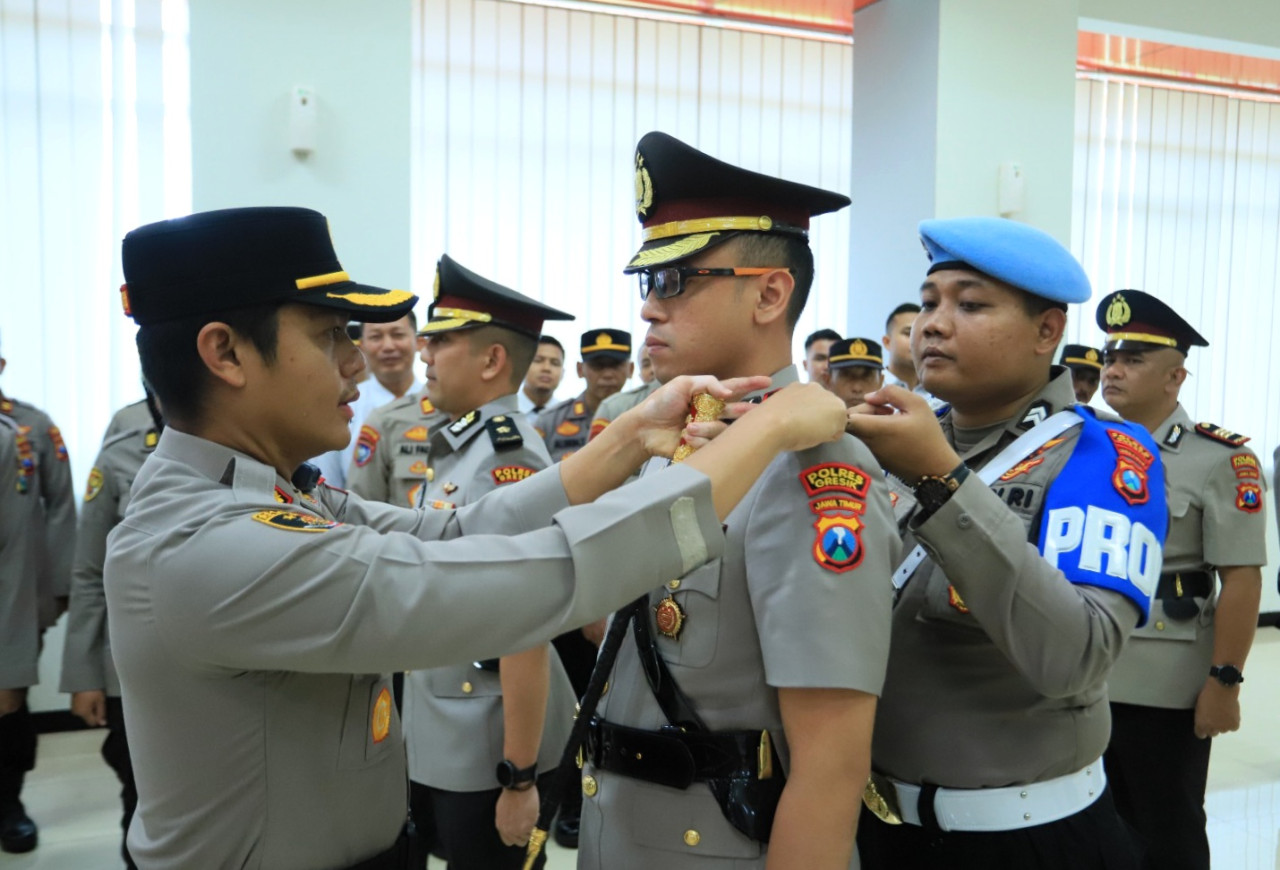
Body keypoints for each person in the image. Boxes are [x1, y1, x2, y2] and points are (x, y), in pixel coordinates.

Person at [105, 205, 848, 869]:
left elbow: (456, 530)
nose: (357, 361)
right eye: (331, 335)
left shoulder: (269, 493)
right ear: (226, 354)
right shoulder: (205, 544)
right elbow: (522, 580)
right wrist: (772, 427)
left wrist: (625, 440)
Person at [578, 131, 898, 870]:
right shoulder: (673, 442)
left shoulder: (813, 467)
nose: (650, 311)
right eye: (647, 285)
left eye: (676, 282)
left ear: (770, 293)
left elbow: (829, 768)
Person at [847, 216, 1168, 870]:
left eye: (969, 304)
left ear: (1047, 331)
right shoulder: (888, 443)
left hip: (1022, 840)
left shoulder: (1103, 458)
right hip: (878, 825)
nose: (931, 323)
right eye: (929, 301)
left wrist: (943, 481)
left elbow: (1079, 655)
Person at [391, 254, 575, 870]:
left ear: (492, 360)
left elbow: (525, 627)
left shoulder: (505, 461)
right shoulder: (463, 448)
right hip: (447, 731)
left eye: (440, 341)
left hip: (489, 745)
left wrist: (518, 777)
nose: (424, 355)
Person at [1095, 289, 1267, 870]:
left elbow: (1241, 580)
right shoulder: (1084, 446)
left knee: (1166, 826)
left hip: (1164, 676)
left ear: (1176, 377)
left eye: (1133, 359)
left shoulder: (1218, 459)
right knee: (1092, 826)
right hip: (1082, 666)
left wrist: (1225, 682)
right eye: (1109, 357)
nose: (1112, 369)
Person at [60, 394, 166, 869]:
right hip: (134, 669)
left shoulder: (253, 439)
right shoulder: (123, 447)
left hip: (223, 665)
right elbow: (88, 573)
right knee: (140, 798)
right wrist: (85, 676)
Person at [0, 346, 77, 632]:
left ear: (1, 365)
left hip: (21, 580)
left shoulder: (34, 424)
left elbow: (61, 507)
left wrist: (59, 588)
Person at [312, 313, 422, 488]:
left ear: (419, 341)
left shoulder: (440, 405)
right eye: (376, 337)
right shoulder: (342, 404)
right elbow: (326, 484)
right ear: (362, 346)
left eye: (397, 335)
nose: (388, 346)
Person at [0, 409, 41, 854]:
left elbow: (14, 552)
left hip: (3, 606)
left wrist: (9, 670)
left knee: (6, 716)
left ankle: (8, 803)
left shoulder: (10, 440)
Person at [535, 330, 633, 460]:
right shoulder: (549, 421)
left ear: (630, 369)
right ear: (580, 370)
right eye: (598, 365)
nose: (607, 374)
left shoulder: (645, 416)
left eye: (615, 365)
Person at [880, 302, 942, 409]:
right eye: (908, 333)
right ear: (887, 342)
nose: (916, 340)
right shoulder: (872, 387)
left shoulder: (940, 392)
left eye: (924, 333)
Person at [827, 337, 885, 409]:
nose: (857, 388)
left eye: (867, 376)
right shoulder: (811, 419)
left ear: (880, 382)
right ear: (829, 380)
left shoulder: (897, 419)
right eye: (846, 375)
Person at [519, 335, 566, 418]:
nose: (546, 368)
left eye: (555, 363)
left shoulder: (567, 415)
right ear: (522, 367)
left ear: (563, 373)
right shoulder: (504, 411)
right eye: (538, 360)